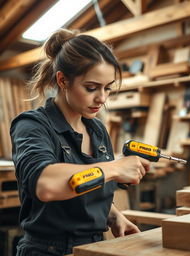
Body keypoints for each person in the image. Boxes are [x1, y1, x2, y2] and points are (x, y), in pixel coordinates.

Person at [10, 28, 150, 256]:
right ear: (63, 80)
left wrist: (114, 216)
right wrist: (115, 167)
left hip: (94, 247)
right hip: (48, 250)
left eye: (108, 88)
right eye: (91, 88)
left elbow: (88, 186)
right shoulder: (32, 125)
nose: (102, 98)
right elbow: (45, 184)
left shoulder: (96, 130)